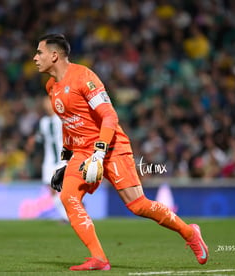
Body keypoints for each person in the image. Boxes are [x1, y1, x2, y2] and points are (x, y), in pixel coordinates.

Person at [33, 33, 209, 271]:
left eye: (39, 52)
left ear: (54, 55)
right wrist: (65, 160)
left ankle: (190, 233)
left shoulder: (84, 78)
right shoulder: (51, 87)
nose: (35, 58)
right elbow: (70, 122)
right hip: (83, 152)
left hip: (111, 146)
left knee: (137, 205)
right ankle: (99, 258)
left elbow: (109, 116)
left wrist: (99, 153)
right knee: (67, 196)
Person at [27, 96, 68, 221]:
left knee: (66, 190)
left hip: (63, 159)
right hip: (49, 162)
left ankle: (71, 214)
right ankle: (66, 217)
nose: (47, 105)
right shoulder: (43, 122)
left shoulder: (62, 118)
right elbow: (39, 139)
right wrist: (32, 142)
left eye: (49, 103)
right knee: (52, 191)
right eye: (45, 103)